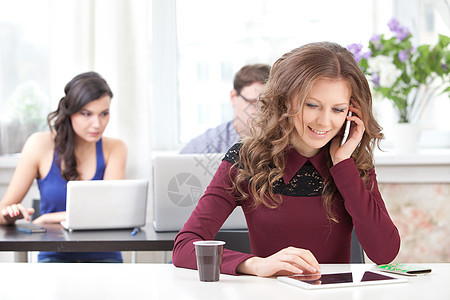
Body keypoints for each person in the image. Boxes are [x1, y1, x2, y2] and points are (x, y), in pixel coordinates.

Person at [172, 42, 400, 277]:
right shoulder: (247, 160)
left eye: (338, 110)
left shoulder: (353, 163)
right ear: (285, 100)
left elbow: (384, 254)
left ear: (352, 113)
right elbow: (184, 247)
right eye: (312, 105)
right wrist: (256, 264)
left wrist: (343, 164)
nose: (324, 121)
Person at [0, 72, 127, 263]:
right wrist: (10, 214)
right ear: (70, 112)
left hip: (105, 255)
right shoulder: (38, 144)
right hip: (54, 257)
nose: (97, 124)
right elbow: (2, 212)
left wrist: (49, 218)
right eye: (86, 113)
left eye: (104, 114)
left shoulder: (115, 148)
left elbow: (107, 213)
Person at [180, 63, 270, 154]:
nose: (262, 113)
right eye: (253, 103)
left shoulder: (280, 145)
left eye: (268, 105)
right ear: (233, 97)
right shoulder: (203, 146)